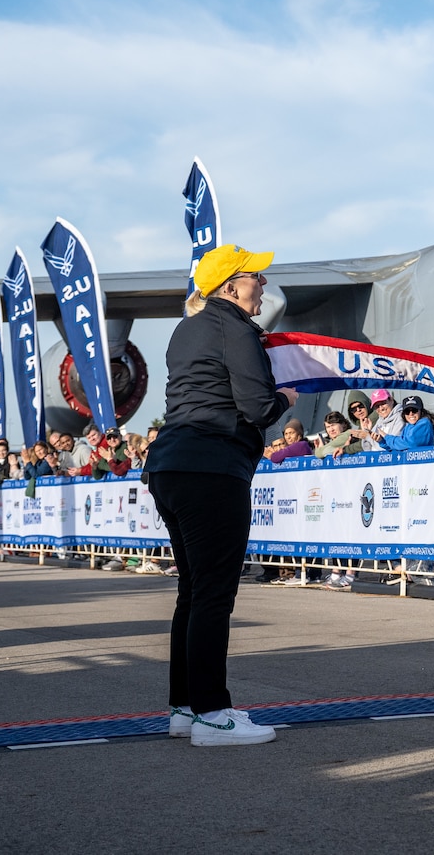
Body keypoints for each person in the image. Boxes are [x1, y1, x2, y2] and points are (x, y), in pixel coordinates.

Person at [144, 243, 296, 748]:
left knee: (193, 591)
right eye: (256, 277)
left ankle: (186, 708)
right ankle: (212, 714)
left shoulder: (186, 328)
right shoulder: (235, 326)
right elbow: (255, 406)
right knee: (213, 593)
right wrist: (286, 399)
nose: (264, 286)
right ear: (231, 287)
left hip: (171, 464)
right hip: (211, 467)